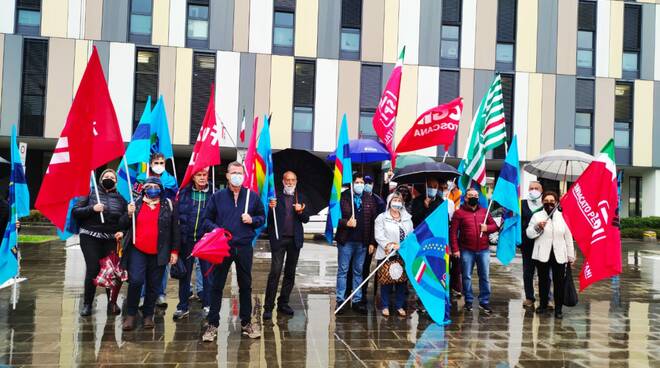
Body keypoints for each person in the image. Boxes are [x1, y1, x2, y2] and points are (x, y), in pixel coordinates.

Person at [202, 162, 265, 342]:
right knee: (217, 286)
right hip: (223, 247)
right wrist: (219, 230)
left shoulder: (251, 197)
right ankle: (212, 324)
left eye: (240, 173)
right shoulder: (217, 197)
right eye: (234, 173)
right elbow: (206, 219)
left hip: (244, 246)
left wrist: (252, 219)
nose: (237, 176)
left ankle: (246, 323)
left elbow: (262, 218)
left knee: (245, 285)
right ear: (228, 176)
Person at [121, 177, 180, 330]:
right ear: (144, 188)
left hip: (159, 252)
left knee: (154, 285)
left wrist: (174, 251)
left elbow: (175, 230)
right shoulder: (136, 204)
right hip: (137, 250)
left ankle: (148, 315)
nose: (153, 189)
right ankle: (131, 315)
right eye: (149, 186)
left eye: (156, 186)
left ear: (161, 189)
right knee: (136, 281)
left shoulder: (168, 205)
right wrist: (128, 214)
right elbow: (122, 224)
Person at [72, 169, 128, 317]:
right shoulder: (90, 193)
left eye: (112, 177)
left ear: (116, 181)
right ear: (100, 179)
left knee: (111, 271)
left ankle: (112, 302)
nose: (108, 178)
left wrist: (122, 230)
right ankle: (87, 304)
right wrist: (92, 208)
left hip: (110, 238)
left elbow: (125, 221)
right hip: (90, 237)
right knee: (93, 268)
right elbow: (76, 211)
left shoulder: (121, 199)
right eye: (106, 176)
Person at [263, 171, 310, 320]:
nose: (290, 182)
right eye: (287, 180)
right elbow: (268, 221)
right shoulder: (275, 197)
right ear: (283, 181)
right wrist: (271, 208)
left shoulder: (300, 197)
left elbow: (306, 219)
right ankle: (268, 307)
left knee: (290, 273)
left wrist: (300, 211)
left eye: (292, 180)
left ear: (296, 181)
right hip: (279, 240)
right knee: (275, 272)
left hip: (294, 241)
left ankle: (283, 302)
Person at [526, 191, 575, 319]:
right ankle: (543, 305)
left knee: (559, 282)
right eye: (546, 201)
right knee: (543, 281)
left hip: (559, 254)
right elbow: (529, 234)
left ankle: (558, 309)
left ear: (557, 202)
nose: (549, 203)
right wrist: (538, 227)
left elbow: (568, 237)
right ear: (542, 202)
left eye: (552, 201)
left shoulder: (563, 216)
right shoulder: (537, 216)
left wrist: (571, 256)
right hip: (542, 254)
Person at [173, 168, 214, 320]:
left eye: (205, 175)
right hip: (186, 240)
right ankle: (182, 306)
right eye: (199, 175)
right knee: (185, 274)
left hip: (206, 241)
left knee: (208, 275)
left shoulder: (214, 193)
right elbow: (177, 217)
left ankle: (208, 305)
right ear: (193, 177)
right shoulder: (183, 193)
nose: (202, 178)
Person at [450, 188, 499, 315]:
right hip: (466, 250)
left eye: (476, 195)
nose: (474, 197)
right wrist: (455, 249)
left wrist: (487, 227)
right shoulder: (459, 213)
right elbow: (453, 233)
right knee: (466, 276)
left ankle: (484, 301)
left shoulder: (484, 211)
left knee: (485, 276)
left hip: (483, 250)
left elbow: (495, 226)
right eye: (471, 195)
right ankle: (469, 301)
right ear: (466, 198)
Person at [334, 174, 378, 315]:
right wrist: (346, 223)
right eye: (357, 182)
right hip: (346, 241)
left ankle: (357, 300)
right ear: (352, 184)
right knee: (343, 271)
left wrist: (372, 242)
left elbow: (373, 222)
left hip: (362, 242)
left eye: (362, 182)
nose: (360, 184)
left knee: (358, 271)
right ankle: (341, 300)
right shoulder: (344, 197)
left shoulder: (369, 198)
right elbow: (335, 218)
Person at [373, 192, 413, 317]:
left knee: (401, 282)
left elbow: (411, 235)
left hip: (402, 254)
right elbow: (379, 235)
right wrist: (390, 245)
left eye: (399, 200)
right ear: (390, 202)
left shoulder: (407, 218)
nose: (397, 202)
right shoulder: (381, 218)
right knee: (386, 281)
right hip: (387, 254)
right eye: (394, 199)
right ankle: (385, 306)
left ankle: (399, 305)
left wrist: (403, 246)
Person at [520, 181, 544, 308]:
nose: (533, 190)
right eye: (531, 188)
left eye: (536, 188)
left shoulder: (547, 205)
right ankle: (530, 297)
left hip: (543, 243)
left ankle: (546, 298)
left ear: (541, 191)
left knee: (544, 272)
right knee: (528, 272)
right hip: (527, 244)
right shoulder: (522, 204)